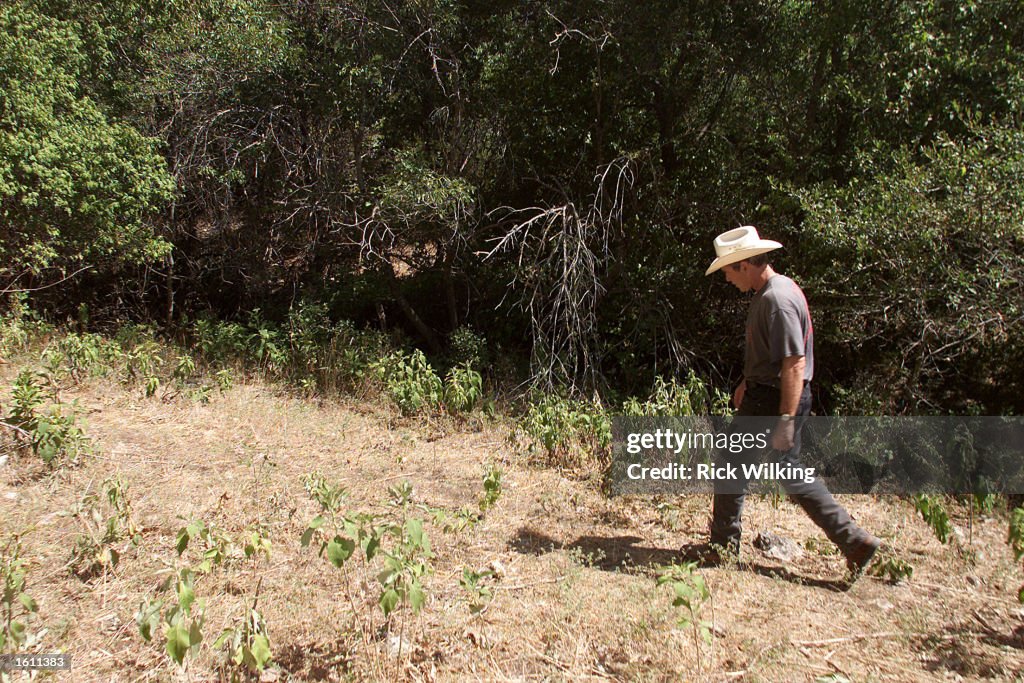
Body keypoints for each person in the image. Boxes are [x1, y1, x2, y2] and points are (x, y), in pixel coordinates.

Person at [700, 225, 880, 579]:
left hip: (775, 399)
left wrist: (784, 419)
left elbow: (794, 363)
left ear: (746, 264)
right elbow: (774, 356)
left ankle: (724, 548)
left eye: (728, 270)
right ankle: (852, 540)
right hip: (765, 395)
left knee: (752, 468)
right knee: (770, 470)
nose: (726, 278)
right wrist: (746, 383)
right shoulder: (772, 292)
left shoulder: (776, 300)